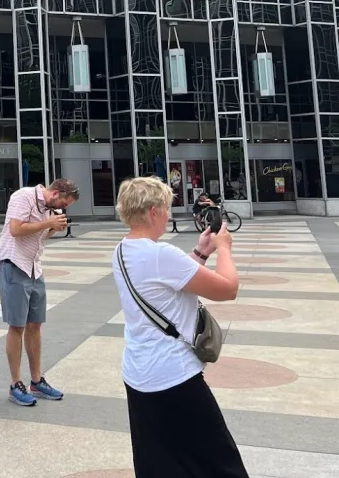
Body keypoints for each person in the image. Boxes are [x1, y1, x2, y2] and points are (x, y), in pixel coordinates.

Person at [112, 176, 247, 477]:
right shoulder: (161, 254)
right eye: (166, 207)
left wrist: (200, 253)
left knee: (159, 463)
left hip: (138, 375)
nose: (169, 214)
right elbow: (227, 288)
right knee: (220, 463)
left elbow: (165, 284)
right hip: (174, 377)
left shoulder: (121, 251)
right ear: (152, 212)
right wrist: (224, 247)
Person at [0, 178, 78, 407]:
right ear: (56, 193)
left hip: (34, 266)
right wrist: (46, 223)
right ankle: (15, 384)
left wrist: (52, 228)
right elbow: (15, 229)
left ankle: (36, 380)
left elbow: (38, 235)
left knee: (35, 324)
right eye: (64, 202)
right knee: (17, 325)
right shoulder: (23, 197)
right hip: (14, 264)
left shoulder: (49, 209)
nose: (64, 208)